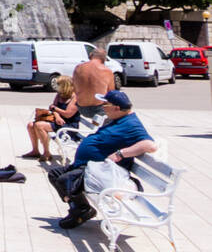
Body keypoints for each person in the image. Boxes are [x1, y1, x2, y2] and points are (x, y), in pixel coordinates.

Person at [45, 91, 157, 229]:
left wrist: (121, 154)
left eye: (105, 104)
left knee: (65, 180)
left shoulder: (132, 124)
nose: (102, 107)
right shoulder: (116, 119)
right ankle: (80, 208)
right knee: (54, 174)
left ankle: (81, 210)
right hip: (87, 166)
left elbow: (150, 145)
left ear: (116, 108)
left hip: (98, 170)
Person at [22, 75, 78, 161]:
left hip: (68, 125)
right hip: (57, 121)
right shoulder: (59, 95)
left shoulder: (75, 97)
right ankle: (35, 151)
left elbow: (67, 114)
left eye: (59, 84)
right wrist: (57, 116)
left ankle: (46, 152)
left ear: (65, 86)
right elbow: (52, 107)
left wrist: (55, 109)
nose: (57, 86)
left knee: (39, 125)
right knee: (30, 125)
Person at [71, 48, 114, 123]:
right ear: (104, 59)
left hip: (81, 107)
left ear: (90, 56)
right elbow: (111, 94)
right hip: (99, 109)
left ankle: (96, 124)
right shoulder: (106, 71)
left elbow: (74, 88)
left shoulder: (78, 68)